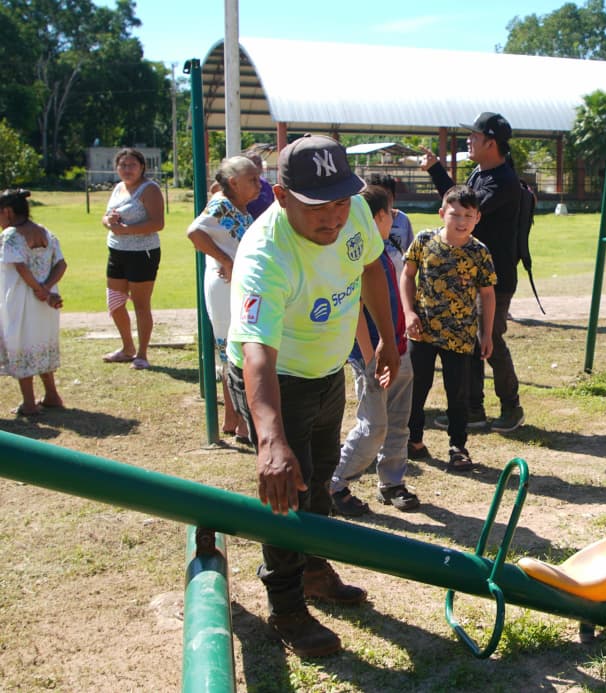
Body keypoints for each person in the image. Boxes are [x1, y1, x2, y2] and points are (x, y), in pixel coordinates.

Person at [225, 134, 400, 658]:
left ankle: (315, 571)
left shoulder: (353, 213)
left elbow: (371, 267)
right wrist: (270, 440)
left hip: (325, 369)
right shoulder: (264, 255)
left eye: (340, 201)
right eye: (317, 206)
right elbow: (258, 355)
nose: (334, 217)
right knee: (288, 490)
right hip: (276, 379)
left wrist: (389, 339)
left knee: (321, 477)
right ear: (281, 197)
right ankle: (286, 607)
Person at [421, 112, 524, 433]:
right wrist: (436, 168)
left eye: (474, 136)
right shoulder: (481, 173)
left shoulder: (503, 182)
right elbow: (459, 201)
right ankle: (473, 409)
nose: (468, 140)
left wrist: (437, 170)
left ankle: (511, 406)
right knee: (471, 340)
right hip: (469, 275)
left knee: (489, 338)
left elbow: (465, 209)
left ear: (491, 143)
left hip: (495, 279)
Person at [329, 186, 418, 516]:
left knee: (398, 423)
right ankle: (334, 484)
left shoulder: (382, 250)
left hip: (398, 349)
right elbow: (355, 311)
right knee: (374, 426)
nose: (394, 220)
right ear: (378, 217)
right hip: (373, 358)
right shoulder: (360, 256)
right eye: (391, 214)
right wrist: (370, 360)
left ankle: (391, 482)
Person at [401, 185, 496, 472]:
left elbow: (487, 294)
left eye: (468, 215)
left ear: (477, 217)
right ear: (442, 213)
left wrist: (486, 333)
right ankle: (413, 440)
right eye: (455, 214)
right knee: (417, 388)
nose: (461, 221)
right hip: (423, 331)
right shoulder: (424, 240)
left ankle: (458, 447)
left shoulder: (479, 252)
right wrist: (408, 313)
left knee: (458, 394)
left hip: (461, 335)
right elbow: (407, 276)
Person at [186, 156, 261, 440]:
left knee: (238, 348)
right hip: (225, 287)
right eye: (252, 179)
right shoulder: (221, 204)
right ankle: (238, 418)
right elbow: (195, 232)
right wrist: (225, 260)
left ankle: (235, 417)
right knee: (231, 349)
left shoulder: (241, 208)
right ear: (234, 182)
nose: (259, 184)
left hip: (240, 287)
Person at [0, 189, 67, 417]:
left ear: (7, 212)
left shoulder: (10, 235)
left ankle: (29, 403)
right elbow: (61, 264)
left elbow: (20, 267)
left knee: (21, 343)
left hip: (22, 299)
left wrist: (39, 290)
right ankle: (52, 395)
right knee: (42, 342)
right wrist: (47, 289)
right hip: (47, 302)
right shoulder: (45, 232)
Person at [101, 147, 165, 370]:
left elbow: (158, 223)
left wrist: (127, 230)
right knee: (115, 302)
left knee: (140, 304)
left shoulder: (150, 189)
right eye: (123, 165)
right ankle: (127, 348)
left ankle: (142, 354)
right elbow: (105, 217)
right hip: (116, 251)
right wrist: (109, 222)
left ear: (142, 167)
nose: (127, 169)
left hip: (142, 253)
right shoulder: (119, 188)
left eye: (132, 165)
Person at [364, 173, 414, 278]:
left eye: (386, 195)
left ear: (394, 196)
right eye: (376, 197)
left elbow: (410, 254)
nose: (382, 201)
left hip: (397, 280)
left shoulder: (403, 220)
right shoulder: (361, 223)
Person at [243, 150, 275, 219]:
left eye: (259, 163)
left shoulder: (265, 184)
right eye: (253, 163)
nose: (257, 166)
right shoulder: (241, 185)